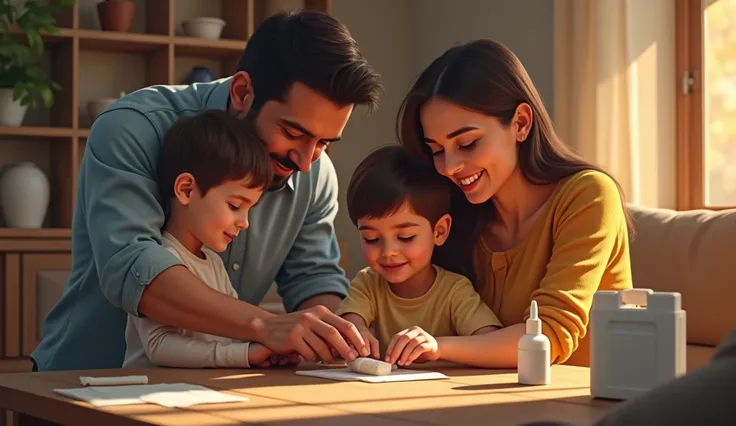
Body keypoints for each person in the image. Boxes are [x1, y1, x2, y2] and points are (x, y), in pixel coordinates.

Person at [32, 10, 383, 371]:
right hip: (79, 384)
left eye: (324, 142)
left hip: (207, 393)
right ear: (243, 91)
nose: (307, 161)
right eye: (293, 133)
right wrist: (265, 326)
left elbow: (313, 278)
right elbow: (134, 270)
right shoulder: (133, 130)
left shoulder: (314, 173)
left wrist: (341, 331)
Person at [397, 39, 633, 368]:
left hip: (584, 405)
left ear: (520, 123)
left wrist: (439, 347)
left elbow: (547, 338)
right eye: (436, 149)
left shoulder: (589, 195)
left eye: (467, 143)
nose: (449, 166)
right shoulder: (457, 216)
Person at [123, 110, 297, 369]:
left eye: (250, 209)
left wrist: (263, 349)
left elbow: (229, 335)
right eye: (235, 205)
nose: (245, 222)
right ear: (187, 190)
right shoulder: (158, 261)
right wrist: (243, 355)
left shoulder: (214, 264)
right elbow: (159, 346)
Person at [335, 145, 503, 368]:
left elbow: (491, 341)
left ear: (440, 231)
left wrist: (437, 347)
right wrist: (357, 335)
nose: (388, 252)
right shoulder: (368, 284)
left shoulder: (454, 291)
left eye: (405, 237)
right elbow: (350, 323)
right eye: (371, 239)